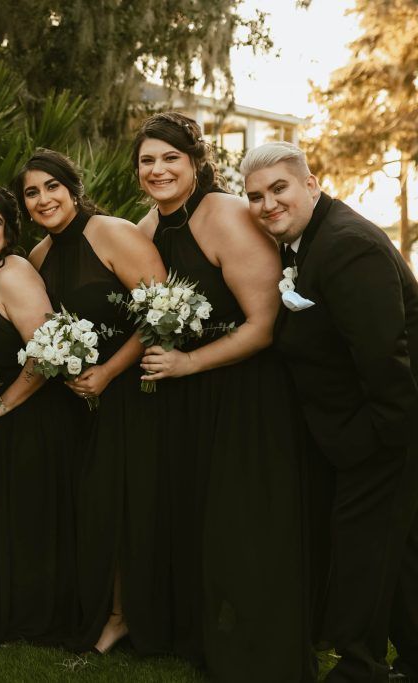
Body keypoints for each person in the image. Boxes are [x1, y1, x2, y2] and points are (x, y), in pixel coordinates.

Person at [133, 113, 310, 681]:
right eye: (146, 160)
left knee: (243, 527)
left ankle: (261, 650)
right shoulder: (148, 226)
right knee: (194, 521)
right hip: (187, 400)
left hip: (245, 393)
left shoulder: (226, 214)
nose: (157, 170)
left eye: (169, 158)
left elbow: (263, 325)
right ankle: (198, 635)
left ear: (196, 162)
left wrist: (186, 362)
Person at [242, 141, 418, 683]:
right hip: (360, 430)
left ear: (311, 184)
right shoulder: (308, 240)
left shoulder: (346, 246)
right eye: (255, 196)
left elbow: (385, 355)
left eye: (279, 188)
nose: (267, 204)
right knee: (398, 551)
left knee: (362, 551)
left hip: (384, 430)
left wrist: (378, 438)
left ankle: (357, 669)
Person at [12, 149, 168, 654]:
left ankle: (125, 616)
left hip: (133, 392)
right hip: (76, 403)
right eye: (32, 193)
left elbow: (162, 312)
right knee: (94, 509)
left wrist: (108, 372)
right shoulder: (38, 258)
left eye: (51, 187)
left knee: (125, 507)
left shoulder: (113, 232)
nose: (43, 199)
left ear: (72, 188)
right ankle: (101, 608)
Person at [0, 186, 80, 647]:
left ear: (9, 232)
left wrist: (4, 403)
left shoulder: (13, 272)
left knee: (26, 520)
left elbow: (48, 350)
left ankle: (31, 620)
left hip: (30, 419)